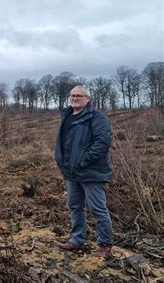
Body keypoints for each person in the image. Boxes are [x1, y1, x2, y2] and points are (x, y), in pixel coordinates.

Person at [54, 85, 113, 259]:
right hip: (72, 173)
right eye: (72, 95)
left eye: (79, 96)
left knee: (98, 209)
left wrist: (83, 161)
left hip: (92, 172)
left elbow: (103, 142)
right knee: (75, 206)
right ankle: (77, 241)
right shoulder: (67, 117)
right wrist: (63, 162)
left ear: (87, 99)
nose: (75, 98)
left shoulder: (97, 117)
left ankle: (105, 246)